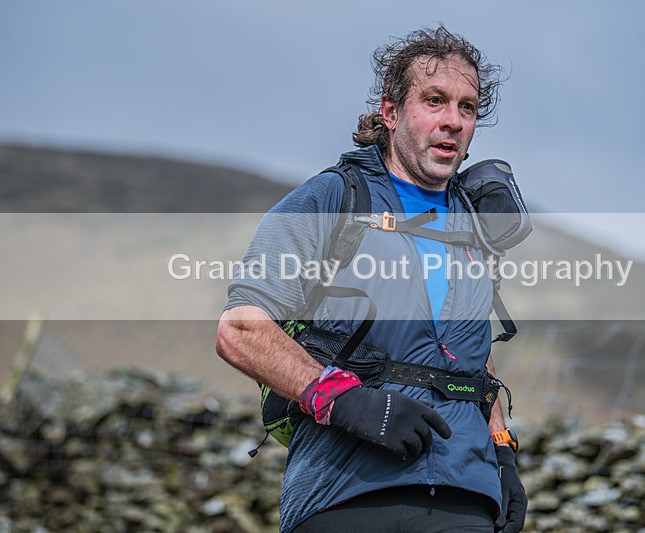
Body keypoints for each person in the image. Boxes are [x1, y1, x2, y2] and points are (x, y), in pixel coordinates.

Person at [216, 26, 527, 532]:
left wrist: (502, 452)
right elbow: (242, 330)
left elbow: (470, 355)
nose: (452, 121)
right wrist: (347, 400)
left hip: (464, 497)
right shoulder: (331, 199)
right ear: (391, 112)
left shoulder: (473, 226)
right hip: (343, 490)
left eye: (467, 108)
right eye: (434, 100)